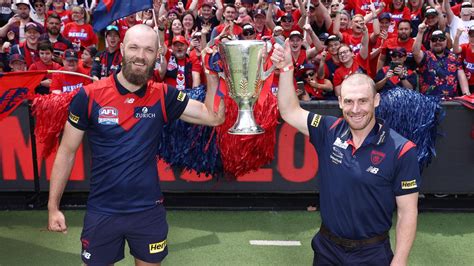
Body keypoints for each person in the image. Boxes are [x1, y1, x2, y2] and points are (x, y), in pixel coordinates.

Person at [47, 24, 225, 265]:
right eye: (134, 48)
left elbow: (213, 117)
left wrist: (211, 74)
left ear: (158, 54)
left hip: (147, 211)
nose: (140, 56)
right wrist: (53, 206)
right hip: (102, 210)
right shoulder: (89, 96)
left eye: (149, 50)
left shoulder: (163, 94)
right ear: (121, 49)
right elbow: (66, 152)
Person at [271, 40, 420, 265]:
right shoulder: (329, 129)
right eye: (349, 101)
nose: (356, 109)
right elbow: (289, 111)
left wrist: (399, 261)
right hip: (326, 250)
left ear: (376, 100)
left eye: (363, 101)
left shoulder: (402, 150)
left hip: (372, 254)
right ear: (340, 102)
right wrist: (285, 69)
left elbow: (407, 212)